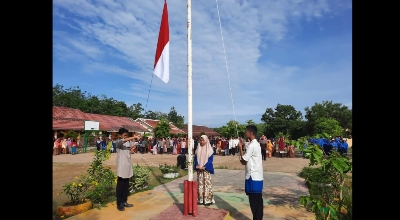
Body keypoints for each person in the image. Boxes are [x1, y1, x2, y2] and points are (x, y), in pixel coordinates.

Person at [237, 125, 264, 220]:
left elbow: (243, 161)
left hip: (253, 177)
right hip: (257, 176)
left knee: (255, 202)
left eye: (246, 132)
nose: (245, 133)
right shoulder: (255, 144)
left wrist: (240, 148)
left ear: (251, 133)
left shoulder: (252, 145)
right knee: (258, 202)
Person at [115, 128, 141, 211]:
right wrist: (134, 137)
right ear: (120, 135)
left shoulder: (129, 142)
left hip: (128, 166)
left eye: (127, 135)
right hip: (122, 166)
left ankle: (124, 201)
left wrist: (132, 149)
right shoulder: (118, 142)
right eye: (124, 135)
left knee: (126, 185)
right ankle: (119, 203)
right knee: (120, 186)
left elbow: (132, 149)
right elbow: (124, 140)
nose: (126, 136)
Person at [194, 135, 215, 206]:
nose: (202, 142)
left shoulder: (210, 149)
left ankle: (207, 200)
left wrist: (205, 166)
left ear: (206, 141)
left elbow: (210, 160)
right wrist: (197, 164)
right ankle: (200, 199)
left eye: (203, 140)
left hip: (206, 170)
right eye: (201, 140)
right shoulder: (198, 148)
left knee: (207, 184)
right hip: (199, 169)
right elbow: (196, 158)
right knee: (200, 184)